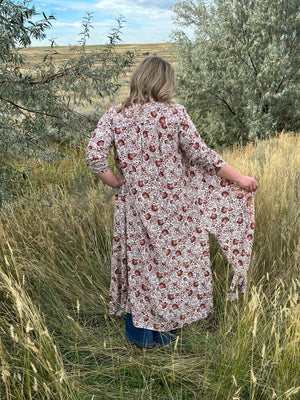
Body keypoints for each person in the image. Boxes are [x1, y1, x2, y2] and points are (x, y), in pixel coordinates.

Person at [85, 56, 258, 348]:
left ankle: (140, 337)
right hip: (175, 208)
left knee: (140, 267)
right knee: (173, 267)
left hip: (134, 207)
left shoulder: (115, 115)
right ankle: (165, 337)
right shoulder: (175, 114)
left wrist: (117, 182)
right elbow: (203, 155)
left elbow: (94, 155)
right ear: (165, 82)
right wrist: (239, 177)